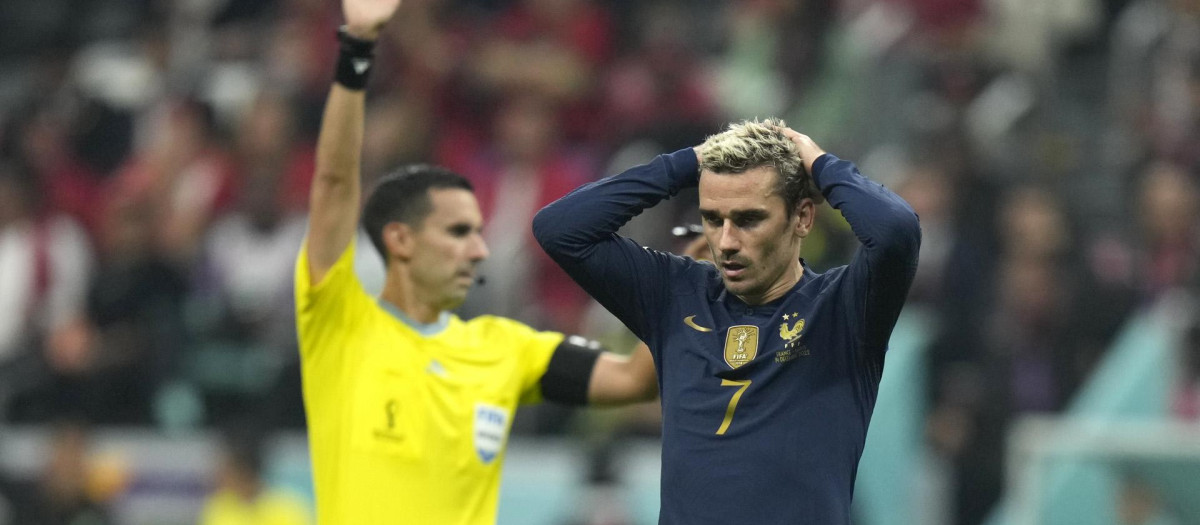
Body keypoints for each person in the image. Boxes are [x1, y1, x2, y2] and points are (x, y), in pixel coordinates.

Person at [294, 0, 657, 523]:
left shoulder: (503, 348)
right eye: (458, 232)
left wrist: (687, 287)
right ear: (400, 240)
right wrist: (357, 50)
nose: (479, 249)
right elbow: (333, 186)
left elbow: (632, 379)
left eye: (478, 233)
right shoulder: (342, 325)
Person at [534, 119, 921, 524]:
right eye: (713, 219)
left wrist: (820, 164)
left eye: (749, 219)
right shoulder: (673, 295)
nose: (726, 242)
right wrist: (688, 163)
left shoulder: (844, 309)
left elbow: (895, 229)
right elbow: (559, 229)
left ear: (803, 218)